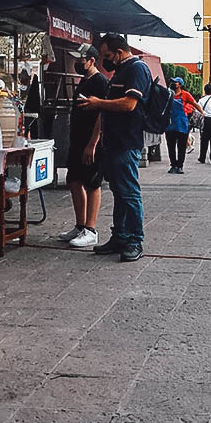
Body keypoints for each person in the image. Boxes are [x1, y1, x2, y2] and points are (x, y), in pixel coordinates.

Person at [79, 33, 151, 263]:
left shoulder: (136, 69)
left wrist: (98, 103)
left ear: (119, 53)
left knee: (129, 192)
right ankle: (119, 236)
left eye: (107, 55)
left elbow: (130, 104)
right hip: (114, 141)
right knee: (119, 192)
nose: (104, 60)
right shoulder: (120, 71)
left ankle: (134, 241)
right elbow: (109, 108)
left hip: (127, 141)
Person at [57, 44, 108, 248]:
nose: (78, 63)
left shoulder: (100, 82)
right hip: (76, 140)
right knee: (74, 180)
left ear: (92, 61)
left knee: (92, 182)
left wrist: (93, 143)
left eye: (81, 60)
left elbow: (102, 114)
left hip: (90, 142)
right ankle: (80, 225)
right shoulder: (83, 81)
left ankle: (91, 228)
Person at [165, 77, 202, 174]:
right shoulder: (168, 94)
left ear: (180, 84)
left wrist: (203, 113)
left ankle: (180, 166)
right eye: (172, 82)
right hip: (169, 124)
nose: (173, 84)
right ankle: (173, 165)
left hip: (182, 123)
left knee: (181, 146)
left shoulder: (185, 95)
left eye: (175, 82)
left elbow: (194, 103)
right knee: (171, 146)